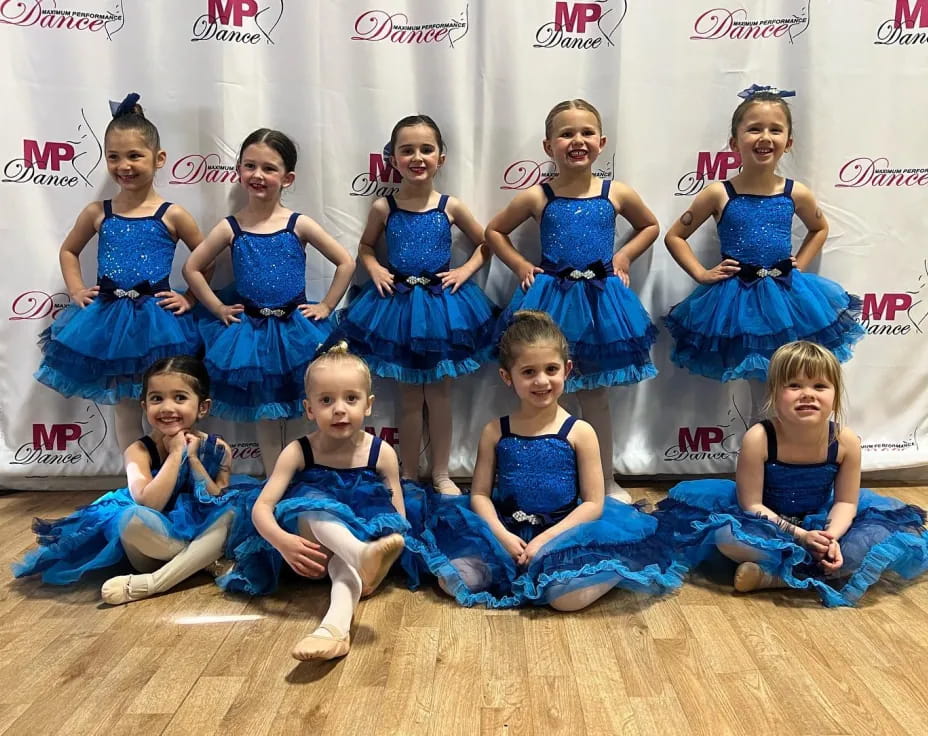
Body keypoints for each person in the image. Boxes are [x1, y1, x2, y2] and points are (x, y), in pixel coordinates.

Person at [418, 312, 684, 609]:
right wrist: (502, 536)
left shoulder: (580, 432)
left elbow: (593, 503)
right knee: (451, 579)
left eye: (551, 369)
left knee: (564, 600)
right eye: (528, 372)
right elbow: (479, 494)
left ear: (567, 369)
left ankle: (612, 564)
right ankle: (514, 567)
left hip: (566, 531)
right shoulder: (495, 430)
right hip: (506, 529)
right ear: (507, 377)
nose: (541, 380)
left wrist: (547, 540)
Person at [660, 341, 928, 607]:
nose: (807, 394)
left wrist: (830, 538)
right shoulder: (759, 438)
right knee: (727, 538)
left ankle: (772, 577)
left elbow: (846, 502)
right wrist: (801, 536)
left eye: (819, 386)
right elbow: (752, 505)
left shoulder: (845, 441)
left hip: (821, 518)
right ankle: (803, 572)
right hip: (767, 520)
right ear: (774, 393)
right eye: (794, 385)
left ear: (835, 395)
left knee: (870, 545)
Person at [486, 99, 659, 501]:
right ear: (549, 147)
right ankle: (554, 480)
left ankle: (604, 480)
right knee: (546, 394)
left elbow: (650, 225)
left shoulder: (615, 192)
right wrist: (520, 264)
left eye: (586, 133)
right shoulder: (537, 196)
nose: (577, 140)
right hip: (551, 299)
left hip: (601, 304)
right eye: (566, 134)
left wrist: (623, 257)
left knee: (595, 396)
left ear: (602, 142)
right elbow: (495, 231)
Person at [663, 85, 864, 418]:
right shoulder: (718, 193)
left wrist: (800, 263)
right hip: (738, 300)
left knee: (789, 378)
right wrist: (701, 273)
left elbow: (819, 228)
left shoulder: (795, 193)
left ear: (789, 142)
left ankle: (788, 443)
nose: (765, 137)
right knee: (760, 385)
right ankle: (763, 445)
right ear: (734, 142)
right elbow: (675, 236)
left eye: (775, 129)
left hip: (788, 296)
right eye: (754, 129)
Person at [332, 115, 496, 495]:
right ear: (392, 159)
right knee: (408, 395)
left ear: (441, 158)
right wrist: (374, 267)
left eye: (426, 149)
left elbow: (486, 243)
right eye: (407, 150)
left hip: (442, 308)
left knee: (439, 395)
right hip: (397, 307)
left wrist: (464, 271)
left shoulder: (450, 206)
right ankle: (407, 472)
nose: (417, 157)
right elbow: (366, 246)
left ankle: (440, 472)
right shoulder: (384, 207)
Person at [35, 93, 204, 451]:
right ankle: (135, 475)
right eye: (113, 156)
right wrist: (77, 289)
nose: (123, 165)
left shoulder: (172, 214)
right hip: (108, 320)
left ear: (159, 158)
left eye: (134, 156)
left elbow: (204, 260)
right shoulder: (99, 211)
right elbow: (69, 250)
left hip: (159, 324)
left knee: (168, 402)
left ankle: (171, 470)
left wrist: (190, 297)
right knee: (126, 408)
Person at [220, 344, 409, 661]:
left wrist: (386, 554)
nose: (339, 409)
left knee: (344, 565)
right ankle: (359, 555)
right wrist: (283, 542)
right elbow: (261, 507)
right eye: (326, 400)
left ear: (368, 405)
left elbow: (398, 516)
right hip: (307, 545)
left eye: (351, 398)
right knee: (312, 504)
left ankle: (334, 629)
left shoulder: (382, 453)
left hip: (356, 542)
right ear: (309, 409)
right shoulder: (298, 451)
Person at [183, 129, 355, 475]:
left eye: (269, 168)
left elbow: (345, 262)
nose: (257, 175)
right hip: (252, 334)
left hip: (295, 330)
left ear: (287, 178)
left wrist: (326, 306)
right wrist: (217, 308)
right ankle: (274, 477)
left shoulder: (298, 223)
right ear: (238, 170)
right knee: (265, 410)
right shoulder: (231, 227)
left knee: (307, 403)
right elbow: (192, 268)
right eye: (250, 166)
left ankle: (305, 472)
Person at [14, 356, 239, 604]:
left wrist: (193, 459)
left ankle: (154, 583)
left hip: (200, 531)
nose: (167, 407)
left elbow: (218, 501)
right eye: (157, 398)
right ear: (144, 405)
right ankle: (205, 562)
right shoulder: (138, 451)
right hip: (153, 544)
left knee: (233, 513)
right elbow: (150, 504)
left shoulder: (218, 449)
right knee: (131, 519)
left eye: (179, 398)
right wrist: (176, 454)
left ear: (203, 407)